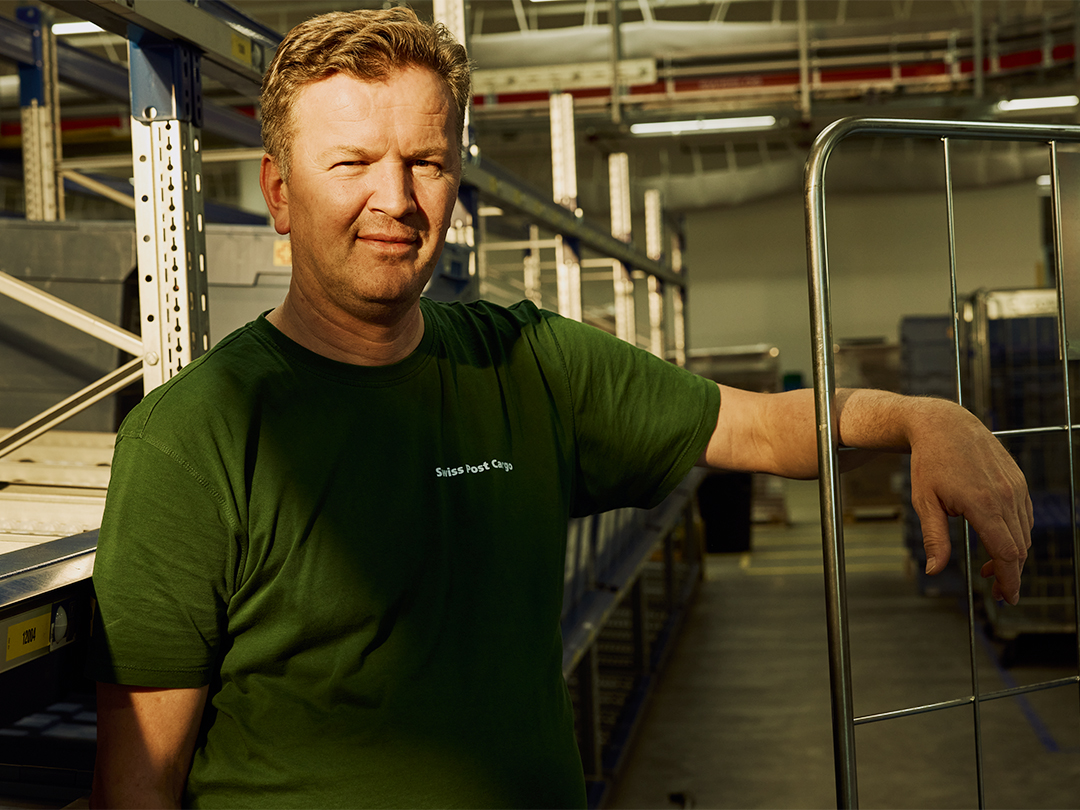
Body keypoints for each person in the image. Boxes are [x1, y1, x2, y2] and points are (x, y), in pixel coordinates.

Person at [87, 7, 1033, 809]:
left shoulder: (529, 364)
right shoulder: (193, 439)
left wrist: (922, 417)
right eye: (353, 163)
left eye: (427, 161)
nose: (398, 198)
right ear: (278, 194)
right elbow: (142, 775)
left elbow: (757, 425)